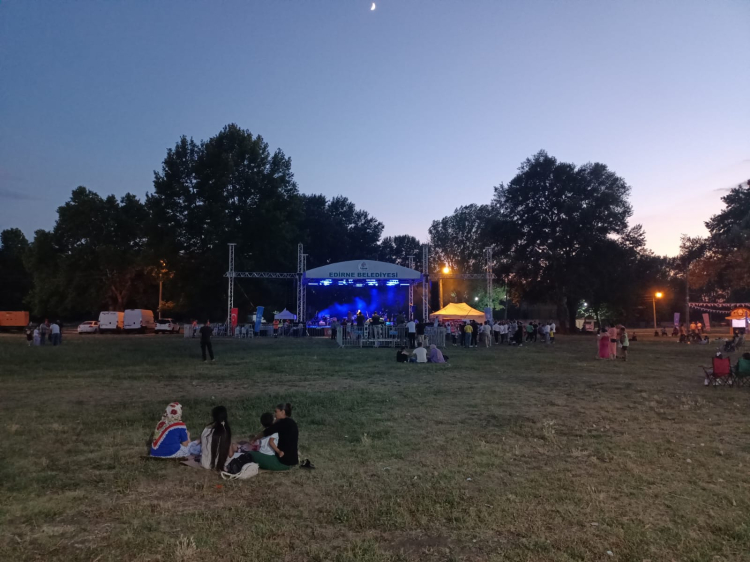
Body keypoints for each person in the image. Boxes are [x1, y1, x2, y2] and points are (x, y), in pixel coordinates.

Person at [250, 403, 298, 471]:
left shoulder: (281, 423)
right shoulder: (292, 423)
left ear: (283, 412)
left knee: (250, 454)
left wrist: (254, 439)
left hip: (282, 463)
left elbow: (265, 432)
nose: (275, 414)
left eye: (276, 411)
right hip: (292, 461)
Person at [199, 405, 234, 471]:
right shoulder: (225, 430)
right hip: (219, 465)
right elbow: (230, 454)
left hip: (204, 463)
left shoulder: (206, 429)